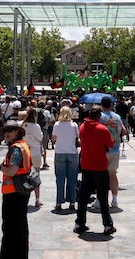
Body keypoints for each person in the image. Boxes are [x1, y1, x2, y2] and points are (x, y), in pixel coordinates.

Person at [74, 106, 116, 236]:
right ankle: (107, 225)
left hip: (86, 166)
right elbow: (110, 144)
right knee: (103, 197)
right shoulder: (102, 129)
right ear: (99, 116)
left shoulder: (82, 127)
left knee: (83, 197)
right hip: (100, 166)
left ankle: (79, 222)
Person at [0, 119, 33, 259]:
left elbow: (12, 171)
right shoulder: (22, 145)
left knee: (11, 229)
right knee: (20, 227)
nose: (7, 133)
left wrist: (1, 167)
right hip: (21, 191)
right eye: (5, 131)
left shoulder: (15, 149)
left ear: (17, 132)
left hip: (13, 192)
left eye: (10, 130)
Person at [97, 96, 126, 208]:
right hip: (115, 148)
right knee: (113, 175)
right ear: (111, 105)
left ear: (102, 105)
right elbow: (123, 131)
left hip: (102, 149)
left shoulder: (100, 117)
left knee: (100, 176)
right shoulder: (117, 117)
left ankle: (100, 200)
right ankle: (114, 200)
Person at [50, 106, 80, 210]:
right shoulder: (74, 125)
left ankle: (59, 202)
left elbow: (53, 138)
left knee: (60, 179)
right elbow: (78, 137)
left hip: (60, 152)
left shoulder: (57, 125)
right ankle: (72, 202)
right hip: (72, 153)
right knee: (72, 179)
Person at [20, 108, 45, 207]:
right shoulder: (36, 126)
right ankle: (37, 199)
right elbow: (40, 138)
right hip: (35, 152)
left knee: (23, 176)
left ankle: (23, 198)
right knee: (36, 176)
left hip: (24, 152)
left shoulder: (21, 125)